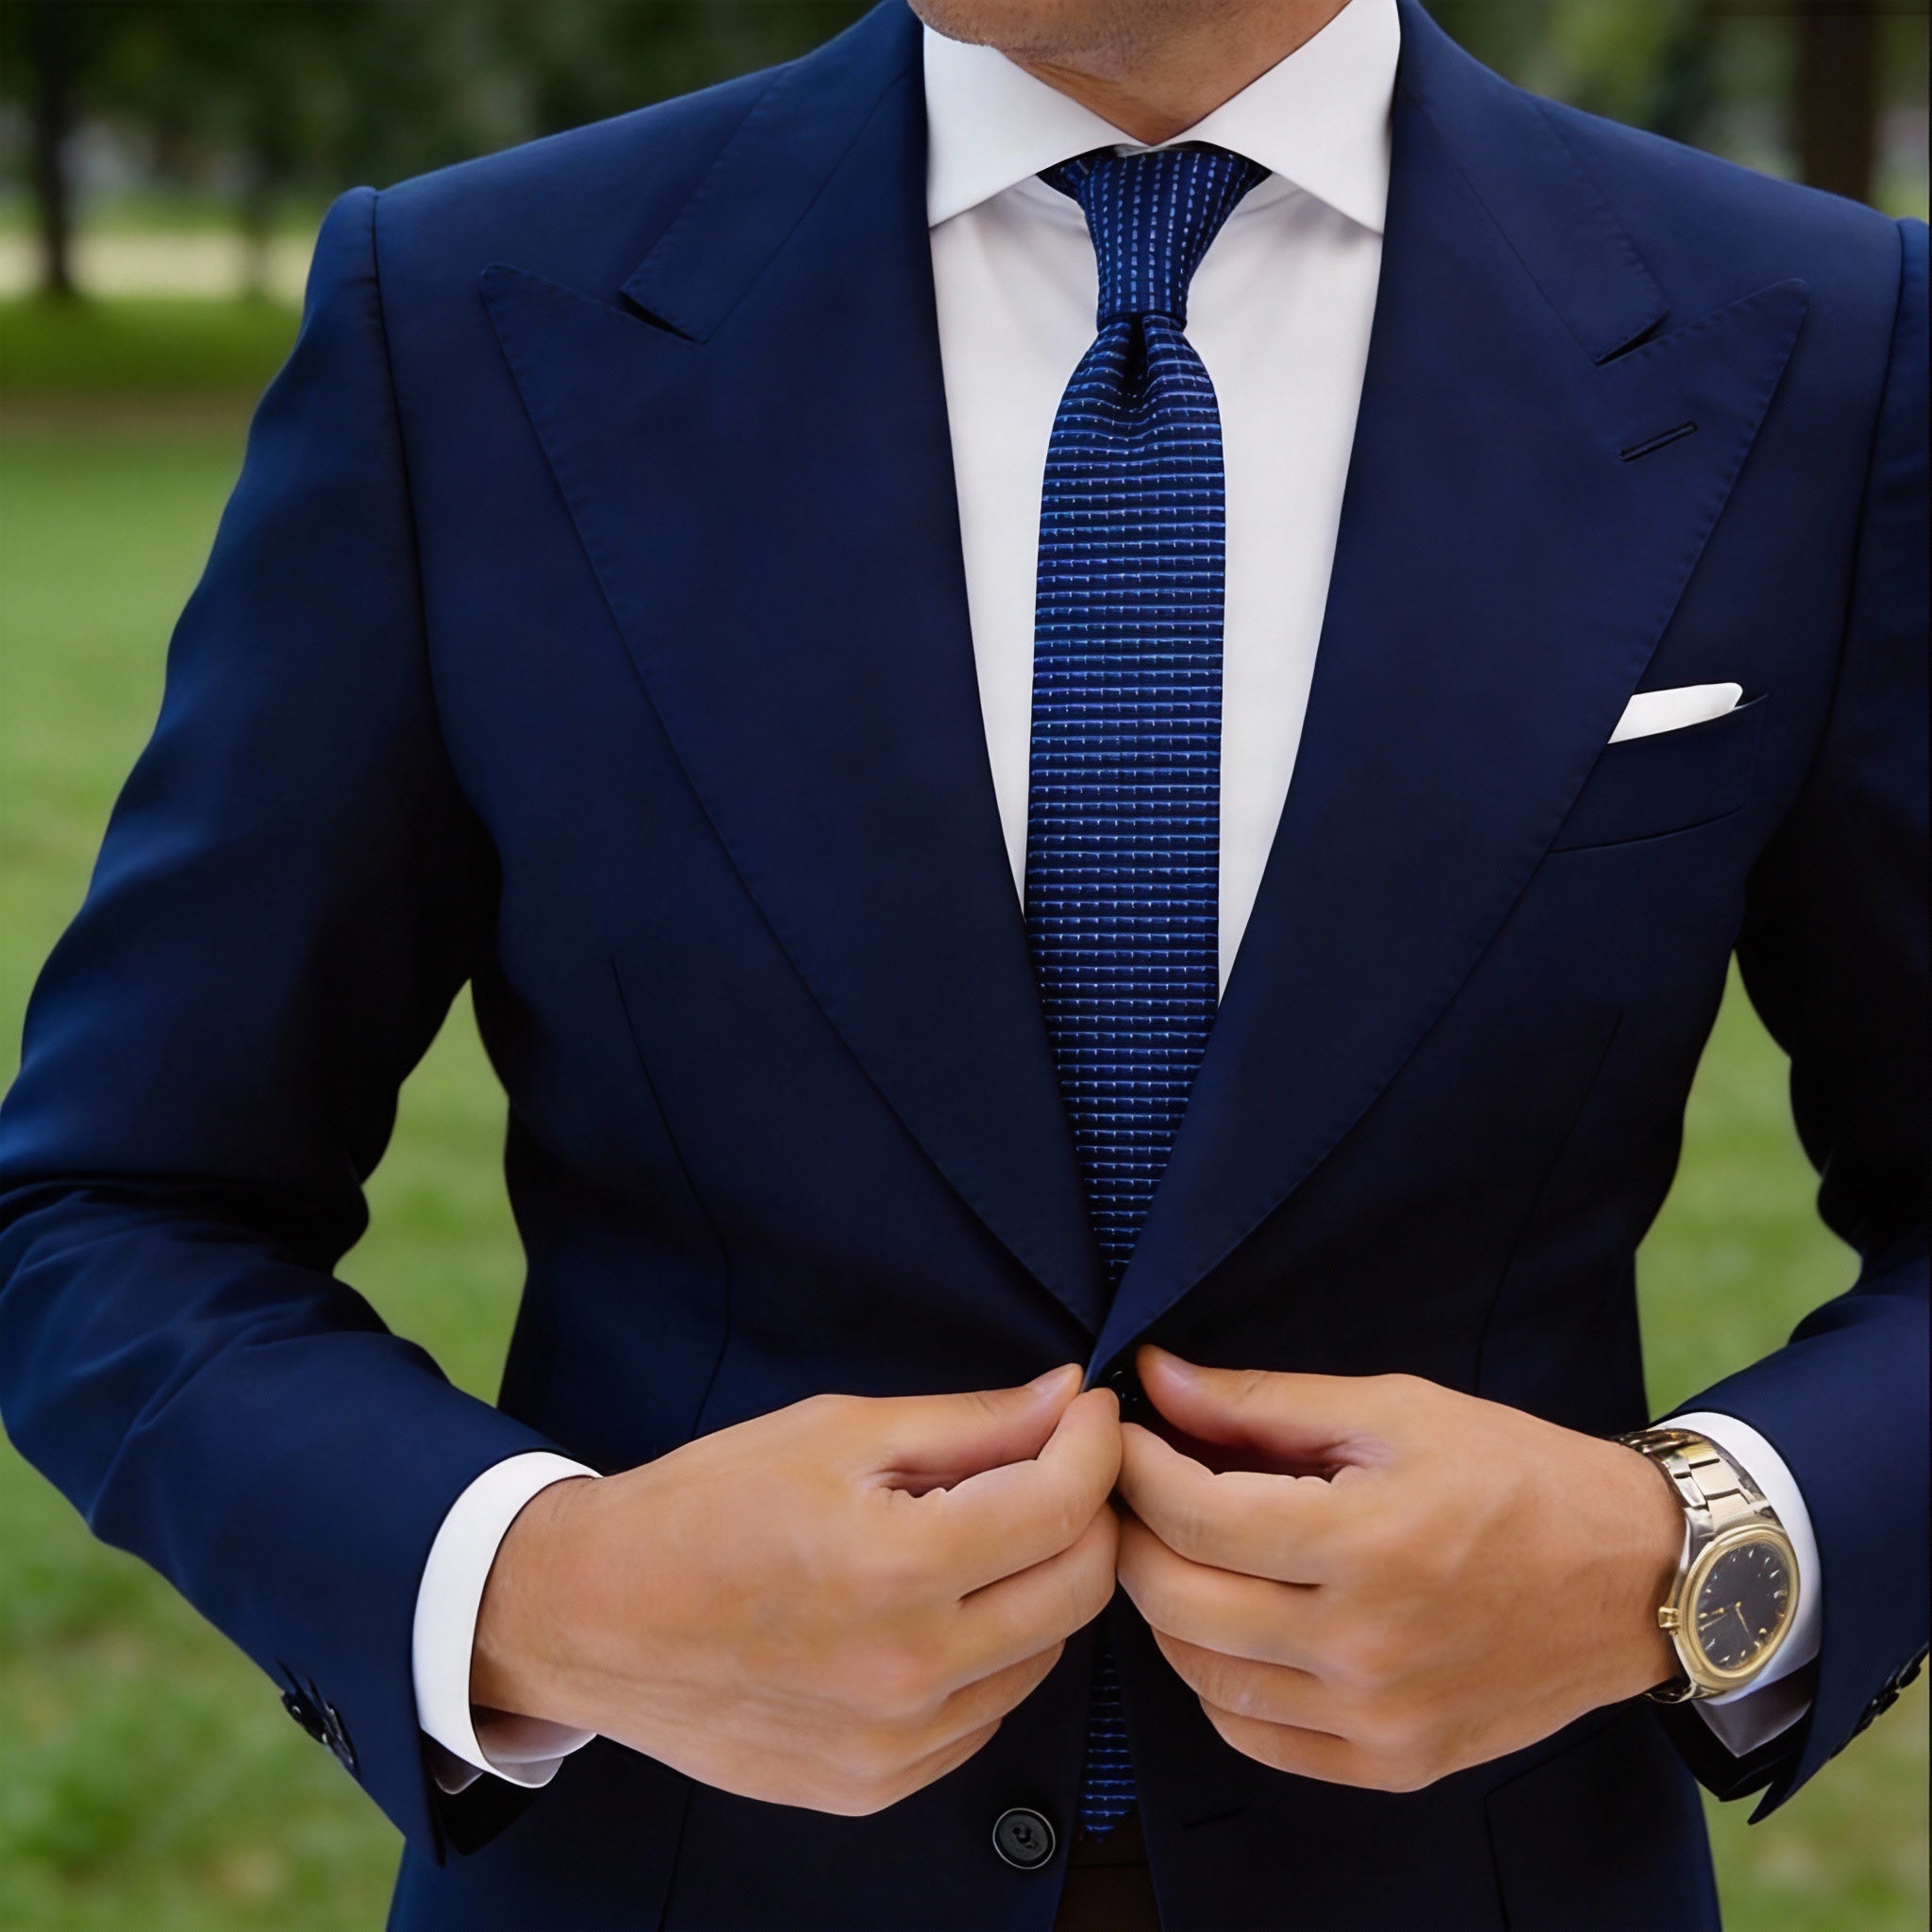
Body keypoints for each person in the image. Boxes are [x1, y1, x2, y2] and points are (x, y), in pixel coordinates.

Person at [0, 0, 1924, 1924]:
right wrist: (545, 1590)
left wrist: (1681, 1551)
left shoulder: (1818, 337)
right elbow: (113, 1204)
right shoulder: (465, 312)